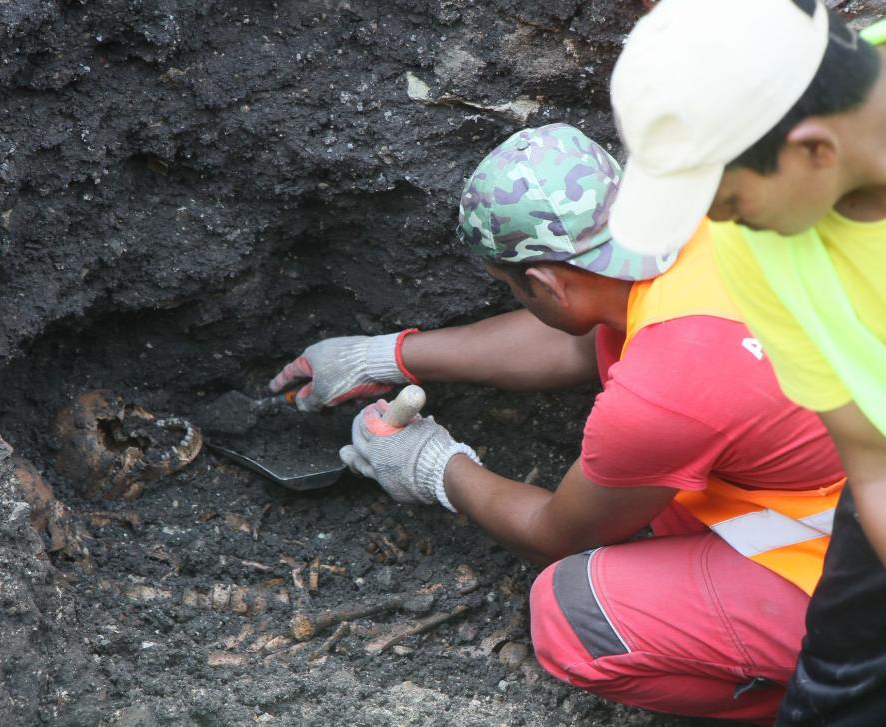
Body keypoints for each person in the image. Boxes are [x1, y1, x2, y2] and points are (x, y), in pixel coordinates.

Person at [271, 123, 846, 724]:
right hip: (882, 482)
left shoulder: (663, 392)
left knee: (573, 613)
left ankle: (862, 700)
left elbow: (557, 533)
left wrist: (434, 467)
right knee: (640, 473)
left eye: (515, 291)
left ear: (544, 284)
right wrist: (388, 355)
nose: (524, 305)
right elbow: (581, 334)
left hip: (878, 572)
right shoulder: (710, 223)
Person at [605, 0, 886, 724]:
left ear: (815, 149)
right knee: (844, 696)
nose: (717, 224)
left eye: (727, 201)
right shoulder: (759, 241)